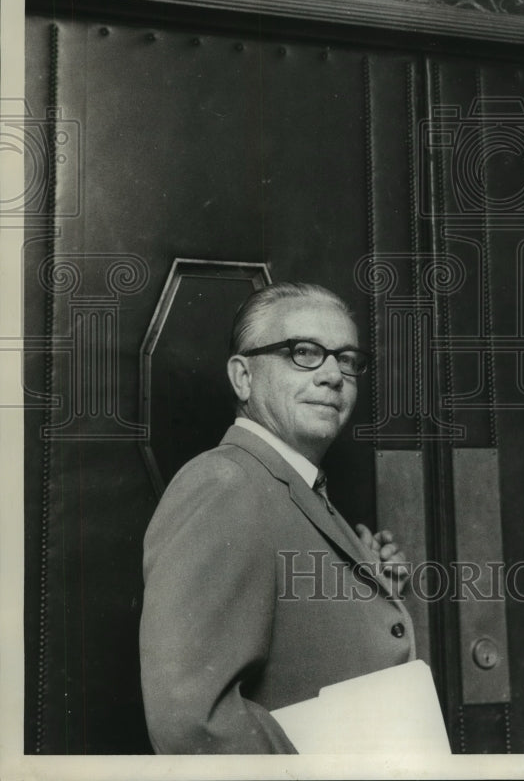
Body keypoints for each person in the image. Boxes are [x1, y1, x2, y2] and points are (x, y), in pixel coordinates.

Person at [139, 282, 415, 754]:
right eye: (303, 352)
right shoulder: (223, 483)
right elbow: (193, 723)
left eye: (347, 360)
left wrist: (366, 587)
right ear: (243, 377)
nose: (333, 375)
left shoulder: (290, 486)